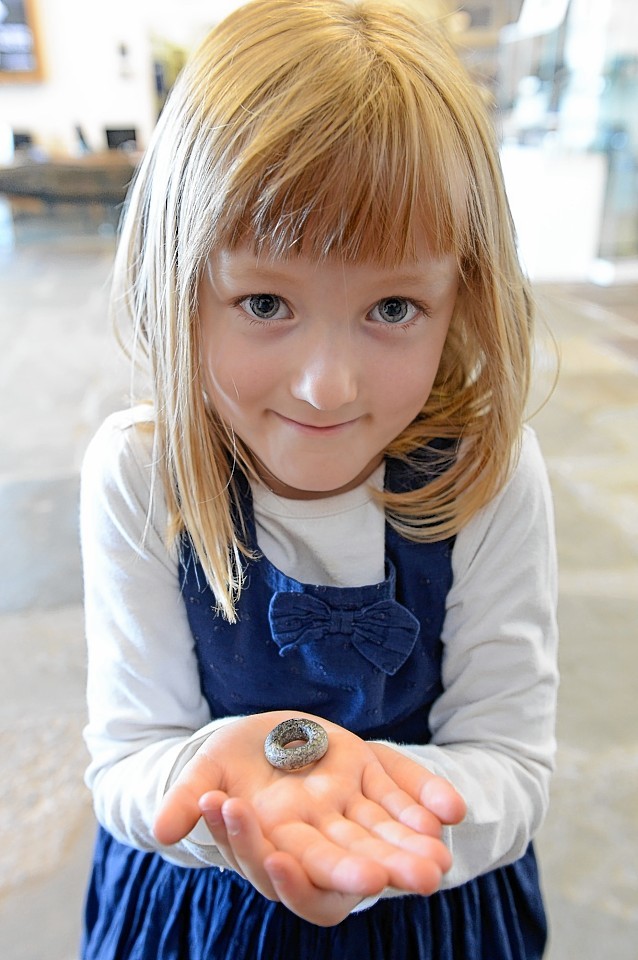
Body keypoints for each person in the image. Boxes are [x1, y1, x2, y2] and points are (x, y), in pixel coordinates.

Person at [80, 1, 559, 957]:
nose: (325, 384)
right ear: (179, 279)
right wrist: (223, 793)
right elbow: (128, 760)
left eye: (392, 306)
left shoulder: (488, 475)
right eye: (266, 301)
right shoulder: (142, 472)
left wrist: (373, 821)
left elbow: (510, 762)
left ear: (460, 295)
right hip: (198, 913)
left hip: (432, 907)